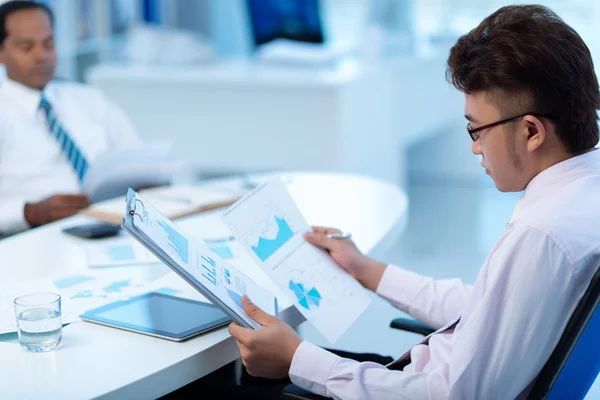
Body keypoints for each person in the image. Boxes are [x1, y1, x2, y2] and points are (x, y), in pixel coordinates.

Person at [219, 5, 600, 399]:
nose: (475, 148)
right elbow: (488, 308)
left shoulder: (541, 236)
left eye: (477, 130)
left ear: (532, 131)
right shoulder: (583, 195)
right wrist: (367, 269)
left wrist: (297, 358)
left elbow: (450, 395)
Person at [0, 0, 140, 236]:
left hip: (114, 226)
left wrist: (143, 183)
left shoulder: (90, 100)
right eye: (27, 47)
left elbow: (138, 158)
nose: (41, 56)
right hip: (34, 238)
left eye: (49, 44)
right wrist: (29, 213)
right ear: (1, 53)